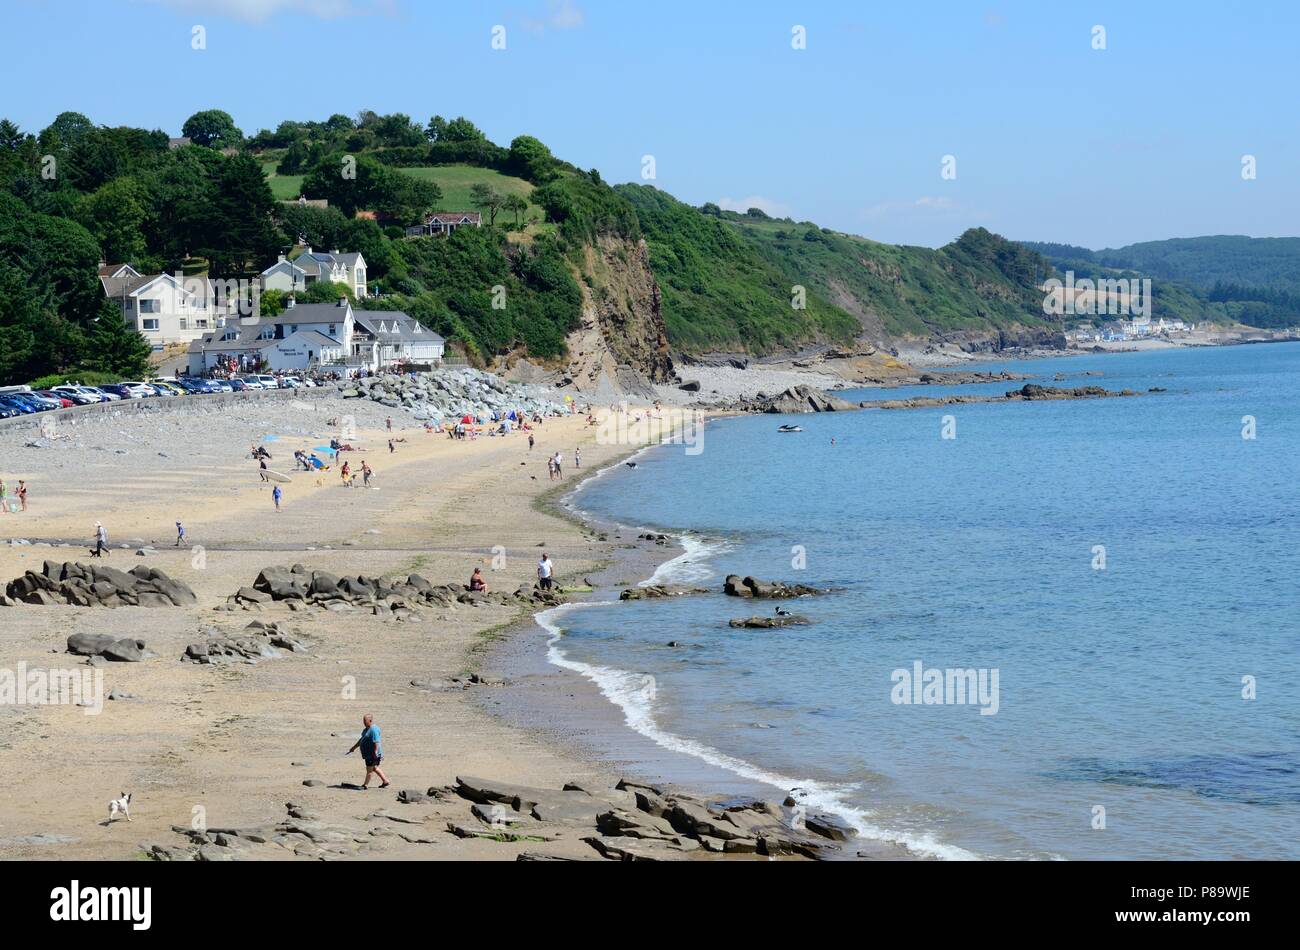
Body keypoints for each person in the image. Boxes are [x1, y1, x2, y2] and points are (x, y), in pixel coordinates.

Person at [346, 714, 390, 789]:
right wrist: (354, 747)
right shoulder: (366, 729)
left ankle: (365, 785)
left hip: (372, 754)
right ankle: (385, 781)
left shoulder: (373, 729)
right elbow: (362, 740)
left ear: (370, 721)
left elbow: (376, 742)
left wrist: (375, 753)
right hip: (369, 754)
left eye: (365, 721)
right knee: (374, 768)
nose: (364, 722)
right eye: (363, 721)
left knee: (369, 770)